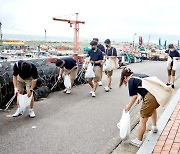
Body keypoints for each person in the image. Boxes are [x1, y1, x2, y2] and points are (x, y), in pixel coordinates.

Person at [119, 67, 160, 147]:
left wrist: (128, 107)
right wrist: (141, 97)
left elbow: (134, 97)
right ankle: (154, 127)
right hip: (156, 93)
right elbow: (144, 87)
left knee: (142, 119)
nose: (125, 82)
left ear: (124, 77)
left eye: (124, 80)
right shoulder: (139, 75)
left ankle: (139, 140)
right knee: (153, 109)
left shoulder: (131, 80)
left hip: (150, 97)